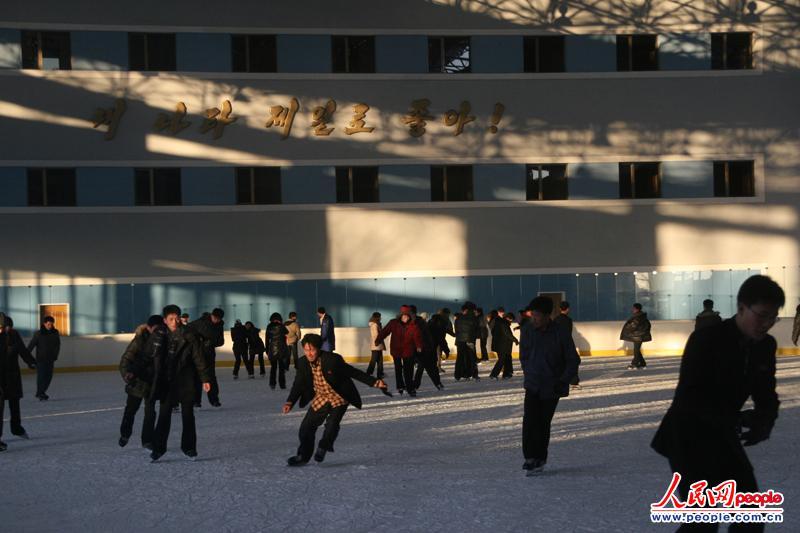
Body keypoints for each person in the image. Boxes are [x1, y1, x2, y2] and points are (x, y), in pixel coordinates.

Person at [652, 275, 785, 530]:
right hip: (687, 436)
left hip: (722, 435)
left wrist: (765, 419)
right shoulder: (707, 339)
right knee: (703, 518)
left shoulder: (765, 345)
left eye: (773, 318)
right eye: (762, 315)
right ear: (742, 307)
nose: (767, 324)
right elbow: (690, 395)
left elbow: (766, 391)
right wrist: (734, 418)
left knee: (750, 512)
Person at [283, 333, 387, 466]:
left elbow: (352, 372)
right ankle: (303, 456)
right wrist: (290, 401)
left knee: (332, 424)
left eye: (312, 350)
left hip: (339, 396)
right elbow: (298, 384)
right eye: (306, 350)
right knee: (306, 427)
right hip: (322, 396)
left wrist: (374, 382)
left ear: (319, 349)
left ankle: (323, 447)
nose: (309, 353)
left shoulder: (332, 360)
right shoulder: (303, 363)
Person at [519, 296, 579, 474]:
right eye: (532, 316)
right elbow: (524, 355)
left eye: (537, 316)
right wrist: (528, 372)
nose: (534, 319)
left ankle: (539, 458)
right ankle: (529, 458)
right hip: (533, 383)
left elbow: (573, 359)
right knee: (529, 421)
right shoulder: (528, 330)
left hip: (552, 385)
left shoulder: (560, 332)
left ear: (547, 316)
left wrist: (563, 380)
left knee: (542, 423)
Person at [149, 305, 212, 462]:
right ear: (164, 320)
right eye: (171, 319)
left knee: (188, 415)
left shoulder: (189, 334)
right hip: (167, 381)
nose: (175, 322)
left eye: (177, 318)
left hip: (186, 379)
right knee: (164, 415)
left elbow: (198, 357)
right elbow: (148, 357)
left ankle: (189, 448)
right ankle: (158, 449)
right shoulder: (159, 335)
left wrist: (205, 378)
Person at [118, 315, 162, 449]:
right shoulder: (138, 341)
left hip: (152, 383)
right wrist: (127, 375)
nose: (157, 331)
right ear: (148, 328)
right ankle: (125, 433)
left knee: (150, 413)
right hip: (137, 381)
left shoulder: (162, 340)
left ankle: (147, 440)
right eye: (155, 328)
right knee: (131, 410)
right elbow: (125, 360)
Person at [0, 315, 36, 451]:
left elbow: (22, 350)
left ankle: (17, 428)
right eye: (4, 327)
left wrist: (31, 361)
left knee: (15, 404)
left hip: (12, 376)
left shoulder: (14, 335)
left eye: (8, 326)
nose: (6, 329)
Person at [375, 305, 422, 396]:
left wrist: (418, 346)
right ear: (400, 315)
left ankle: (410, 388)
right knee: (398, 368)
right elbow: (385, 331)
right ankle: (400, 386)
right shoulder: (393, 323)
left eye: (407, 316)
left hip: (408, 350)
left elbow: (417, 337)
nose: (405, 317)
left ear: (410, 316)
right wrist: (378, 339)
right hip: (396, 350)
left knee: (408, 370)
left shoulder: (413, 325)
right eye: (403, 315)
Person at [187, 308, 225, 407]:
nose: (216, 320)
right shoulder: (200, 322)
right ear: (211, 315)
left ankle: (214, 400)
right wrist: (198, 341)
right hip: (197, 354)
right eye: (215, 318)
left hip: (209, 355)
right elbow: (187, 331)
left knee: (211, 377)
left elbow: (221, 341)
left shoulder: (219, 325)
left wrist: (211, 342)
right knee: (197, 377)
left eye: (219, 319)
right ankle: (196, 401)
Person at [27, 315, 61, 401]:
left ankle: (41, 392)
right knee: (41, 377)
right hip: (40, 359)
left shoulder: (55, 332)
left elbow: (57, 345)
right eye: (48, 324)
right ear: (44, 324)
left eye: (51, 324)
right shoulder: (39, 333)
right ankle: (40, 393)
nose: (50, 326)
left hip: (50, 359)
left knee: (48, 377)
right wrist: (26, 356)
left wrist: (55, 355)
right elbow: (32, 345)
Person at [411, 306, 444, 392]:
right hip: (418, 349)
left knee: (426, 367)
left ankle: (416, 385)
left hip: (422, 349)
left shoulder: (420, 323)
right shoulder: (418, 322)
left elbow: (425, 337)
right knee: (424, 368)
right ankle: (437, 383)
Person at [553, 301, 581, 389]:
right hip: (567, 344)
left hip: (557, 344)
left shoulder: (555, 320)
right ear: (568, 309)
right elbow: (569, 333)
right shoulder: (568, 320)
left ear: (560, 309)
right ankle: (573, 382)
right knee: (574, 361)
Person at [620, 303, 651, 369]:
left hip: (638, 336)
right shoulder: (642, 316)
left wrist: (628, 329)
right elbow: (648, 325)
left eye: (633, 308)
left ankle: (634, 364)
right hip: (639, 335)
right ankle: (642, 363)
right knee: (637, 350)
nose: (632, 309)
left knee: (636, 350)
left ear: (637, 309)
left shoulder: (637, 317)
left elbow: (633, 326)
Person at [454, 302, 480, 381]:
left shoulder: (458, 318)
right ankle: (474, 374)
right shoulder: (475, 318)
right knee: (472, 358)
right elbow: (477, 331)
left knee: (460, 358)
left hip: (460, 341)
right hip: (470, 340)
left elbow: (457, 330)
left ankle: (458, 375)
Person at [489, 312, 518, 379]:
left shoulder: (501, 322)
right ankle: (494, 374)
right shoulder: (504, 323)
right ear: (508, 318)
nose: (511, 321)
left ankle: (507, 373)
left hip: (502, 345)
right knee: (502, 360)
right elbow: (507, 333)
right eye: (511, 320)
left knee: (507, 358)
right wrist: (515, 339)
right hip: (502, 345)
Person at [266, 312, 290, 390]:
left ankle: (272, 384)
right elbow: (287, 332)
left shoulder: (269, 327)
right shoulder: (281, 326)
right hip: (281, 349)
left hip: (272, 349)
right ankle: (282, 384)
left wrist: (267, 350)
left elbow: (267, 339)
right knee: (281, 368)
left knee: (273, 368)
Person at [428, 308, 455, 373]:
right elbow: (447, 330)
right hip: (439, 339)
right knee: (438, 354)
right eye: (447, 314)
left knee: (435, 354)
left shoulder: (432, 319)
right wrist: (454, 334)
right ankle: (437, 367)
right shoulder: (444, 320)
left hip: (432, 339)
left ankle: (435, 367)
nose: (448, 315)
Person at [366, 312, 385, 379]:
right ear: (377, 317)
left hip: (378, 344)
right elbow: (375, 335)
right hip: (376, 345)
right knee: (374, 360)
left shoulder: (377, 324)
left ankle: (380, 373)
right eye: (379, 317)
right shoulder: (374, 325)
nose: (380, 318)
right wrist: (377, 342)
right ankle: (369, 372)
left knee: (380, 360)